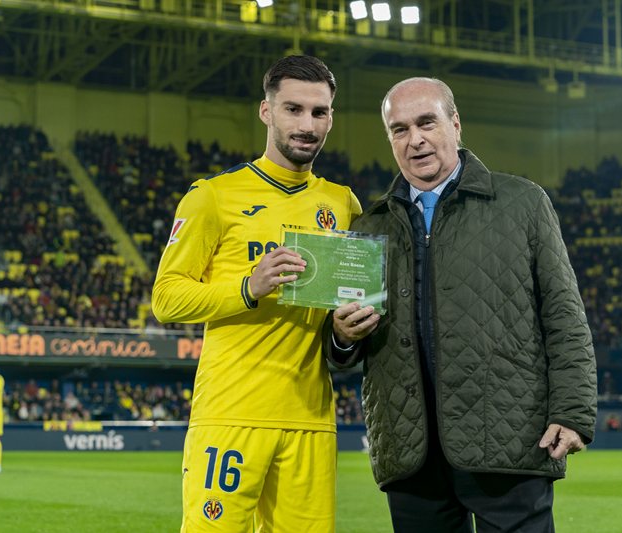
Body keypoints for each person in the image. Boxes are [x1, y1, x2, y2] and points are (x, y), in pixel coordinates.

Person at [326, 77, 597, 532]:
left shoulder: (523, 202)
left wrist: (571, 412)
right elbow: (341, 347)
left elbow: (565, 316)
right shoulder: (366, 226)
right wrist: (341, 337)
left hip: (510, 444)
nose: (415, 140)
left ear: (455, 123)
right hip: (411, 453)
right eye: (399, 129)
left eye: (426, 122)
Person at [152, 55, 362, 532]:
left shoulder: (342, 204)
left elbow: (344, 307)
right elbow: (166, 298)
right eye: (293, 109)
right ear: (266, 112)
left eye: (319, 112)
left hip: (310, 418)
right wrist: (248, 287)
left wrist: (345, 332)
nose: (307, 124)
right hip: (230, 413)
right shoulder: (212, 196)